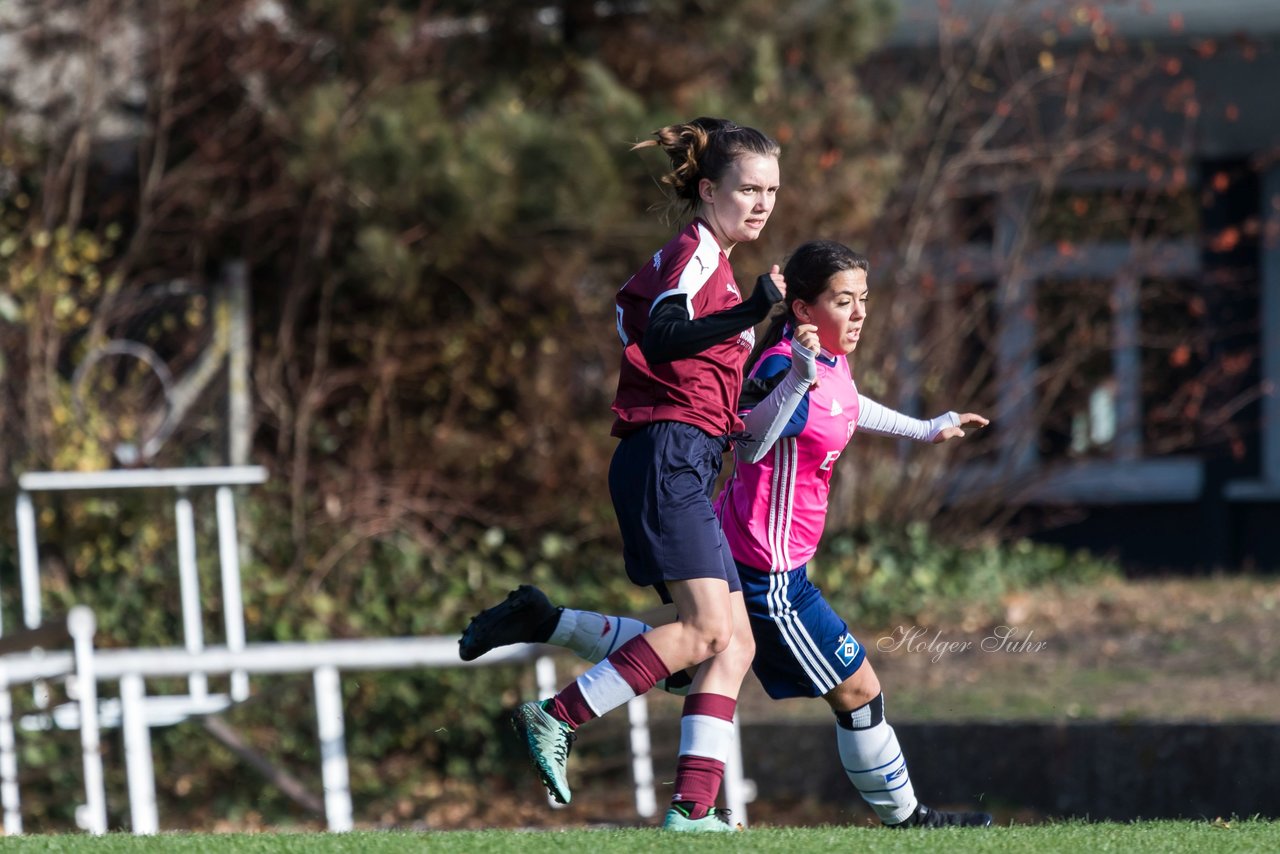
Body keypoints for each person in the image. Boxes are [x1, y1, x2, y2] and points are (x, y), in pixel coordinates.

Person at [461, 240, 994, 829]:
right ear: (801, 309)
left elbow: (846, 405)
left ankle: (550, 625)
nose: (860, 313)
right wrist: (797, 379)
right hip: (771, 575)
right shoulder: (783, 366)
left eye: (864, 299)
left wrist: (926, 428)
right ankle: (909, 821)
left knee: (696, 659)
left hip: (752, 554)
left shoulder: (829, 360)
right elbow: (752, 442)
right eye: (845, 301)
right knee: (858, 692)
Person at [491, 117, 786, 833]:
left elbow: (721, 383)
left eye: (773, 191)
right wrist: (753, 309)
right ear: (709, 189)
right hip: (666, 455)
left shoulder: (713, 266)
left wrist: (776, 337)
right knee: (702, 631)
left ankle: (692, 810)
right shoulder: (695, 254)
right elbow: (662, 333)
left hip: (689, 458)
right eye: (748, 188)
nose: (762, 203)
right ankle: (555, 715)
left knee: (733, 642)